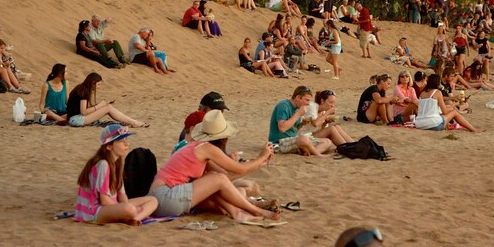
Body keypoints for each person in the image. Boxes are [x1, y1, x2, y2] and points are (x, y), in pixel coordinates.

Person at [151, 110, 281, 223]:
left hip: (161, 199)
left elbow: (225, 178)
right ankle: (256, 210)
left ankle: (237, 212)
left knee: (214, 178)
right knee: (216, 179)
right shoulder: (206, 148)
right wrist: (261, 157)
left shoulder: (199, 148)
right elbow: (237, 169)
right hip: (165, 197)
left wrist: (258, 164)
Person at [74, 124, 158, 224]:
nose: (126, 144)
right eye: (121, 141)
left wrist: (125, 206)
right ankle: (132, 216)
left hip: (111, 205)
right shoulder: (103, 164)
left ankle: (135, 219)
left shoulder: (117, 163)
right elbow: (104, 200)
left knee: (153, 200)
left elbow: (122, 194)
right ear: (109, 146)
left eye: (126, 140)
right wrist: (128, 208)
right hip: (93, 211)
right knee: (130, 209)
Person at [269, 86, 334, 156]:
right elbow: (282, 128)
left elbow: (295, 130)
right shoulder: (283, 105)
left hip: (293, 140)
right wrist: (298, 114)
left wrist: (302, 124)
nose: (308, 103)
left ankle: (307, 151)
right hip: (279, 142)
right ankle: (318, 154)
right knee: (303, 139)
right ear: (298, 97)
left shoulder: (298, 108)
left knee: (327, 142)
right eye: (307, 100)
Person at [66, 72, 147, 128]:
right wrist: (99, 106)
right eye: (98, 84)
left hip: (75, 118)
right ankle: (134, 122)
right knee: (108, 108)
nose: (99, 87)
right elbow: (84, 112)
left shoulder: (81, 88)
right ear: (93, 82)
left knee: (107, 106)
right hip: (75, 119)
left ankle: (133, 122)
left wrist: (100, 105)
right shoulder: (84, 91)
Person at [414, 73, 479, 132]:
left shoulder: (422, 93)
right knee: (454, 112)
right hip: (433, 124)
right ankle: (473, 129)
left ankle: (447, 126)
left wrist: (451, 106)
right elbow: (444, 111)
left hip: (419, 124)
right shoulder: (437, 92)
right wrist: (453, 106)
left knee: (447, 110)